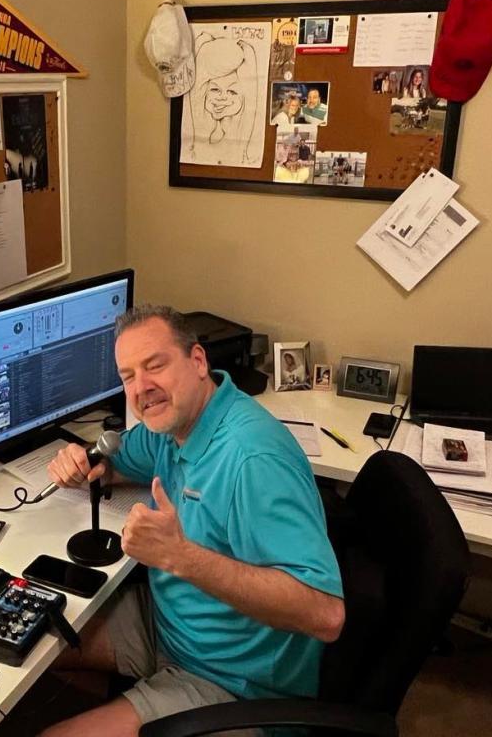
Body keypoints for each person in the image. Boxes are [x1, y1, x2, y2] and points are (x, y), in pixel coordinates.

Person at [42, 306, 344, 737]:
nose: (141, 388)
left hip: (233, 680)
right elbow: (119, 458)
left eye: (155, 366)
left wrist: (182, 557)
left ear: (198, 361)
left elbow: (326, 615)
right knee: (30, 636)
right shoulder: (174, 424)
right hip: (171, 623)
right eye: (128, 376)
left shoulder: (251, 460)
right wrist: (87, 464)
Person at [185, 35, 261, 166]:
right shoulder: (199, 122)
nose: (222, 97)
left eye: (232, 91)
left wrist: (245, 49)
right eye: (215, 89)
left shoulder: (242, 129)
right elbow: (197, 83)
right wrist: (204, 40)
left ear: (244, 96)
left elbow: (251, 88)